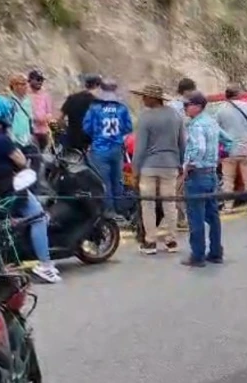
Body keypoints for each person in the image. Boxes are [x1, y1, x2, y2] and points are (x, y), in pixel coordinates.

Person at [0, 95, 61, 283]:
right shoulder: (2, 140)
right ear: (4, 114)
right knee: (38, 216)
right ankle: (46, 265)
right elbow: (21, 160)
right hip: (9, 188)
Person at [131, 84, 186, 255]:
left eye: (145, 96)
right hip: (170, 165)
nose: (143, 99)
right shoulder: (175, 116)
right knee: (169, 203)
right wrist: (180, 162)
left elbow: (140, 147)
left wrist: (135, 170)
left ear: (153, 98)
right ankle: (171, 240)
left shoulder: (145, 118)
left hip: (149, 165)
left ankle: (150, 241)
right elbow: (182, 143)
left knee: (148, 204)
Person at [181, 92, 230, 267]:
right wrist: (218, 156)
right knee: (212, 214)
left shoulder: (195, 126)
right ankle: (216, 252)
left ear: (198, 106)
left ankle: (198, 255)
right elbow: (228, 141)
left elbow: (199, 148)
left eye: (187, 104)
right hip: (211, 173)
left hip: (198, 174)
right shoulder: (211, 122)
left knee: (196, 216)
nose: (185, 107)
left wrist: (189, 165)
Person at [83, 79, 133, 216]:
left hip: (99, 149)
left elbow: (87, 127)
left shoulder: (95, 108)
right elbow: (128, 127)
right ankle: (120, 210)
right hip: (117, 148)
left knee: (104, 181)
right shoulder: (122, 108)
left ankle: (108, 212)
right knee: (118, 180)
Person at [216, 83, 247, 211]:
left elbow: (216, 128)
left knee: (228, 178)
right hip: (245, 146)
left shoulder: (220, 110)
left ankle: (228, 205)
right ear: (238, 94)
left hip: (228, 149)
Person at [167, 78, 198, 230]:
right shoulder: (178, 107)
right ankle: (181, 218)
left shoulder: (173, 106)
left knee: (183, 186)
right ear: (186, 90)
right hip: (181, 150)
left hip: (183, 148)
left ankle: (183, 217)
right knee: (180, 186)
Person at [58, 74, 102, 152]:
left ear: (86, 85)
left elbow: (60, 119)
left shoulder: (72, 98)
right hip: (87, 145)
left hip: (70, 141)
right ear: (97, 86)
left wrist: (67, 129)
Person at [7, 74, 40, 175]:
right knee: (18, 170)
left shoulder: (27, 101)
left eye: (26, 84)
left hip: (27, 140)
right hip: (14, 141)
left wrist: (31, 134)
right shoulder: (8, 102)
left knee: (35, 164)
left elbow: (29, 118)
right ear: (14, 86)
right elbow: (7, 123)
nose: (26, 87)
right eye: (22, 84)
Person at [27, 70, 54, 151]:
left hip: (43, 132)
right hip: (31, 132)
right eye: (38, 80)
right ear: (30, 80)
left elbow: (49, 112)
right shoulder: (26, 95)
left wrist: (46, 118)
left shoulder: (45, 96)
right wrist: (35, 118)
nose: (40, 82)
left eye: (41, 80)